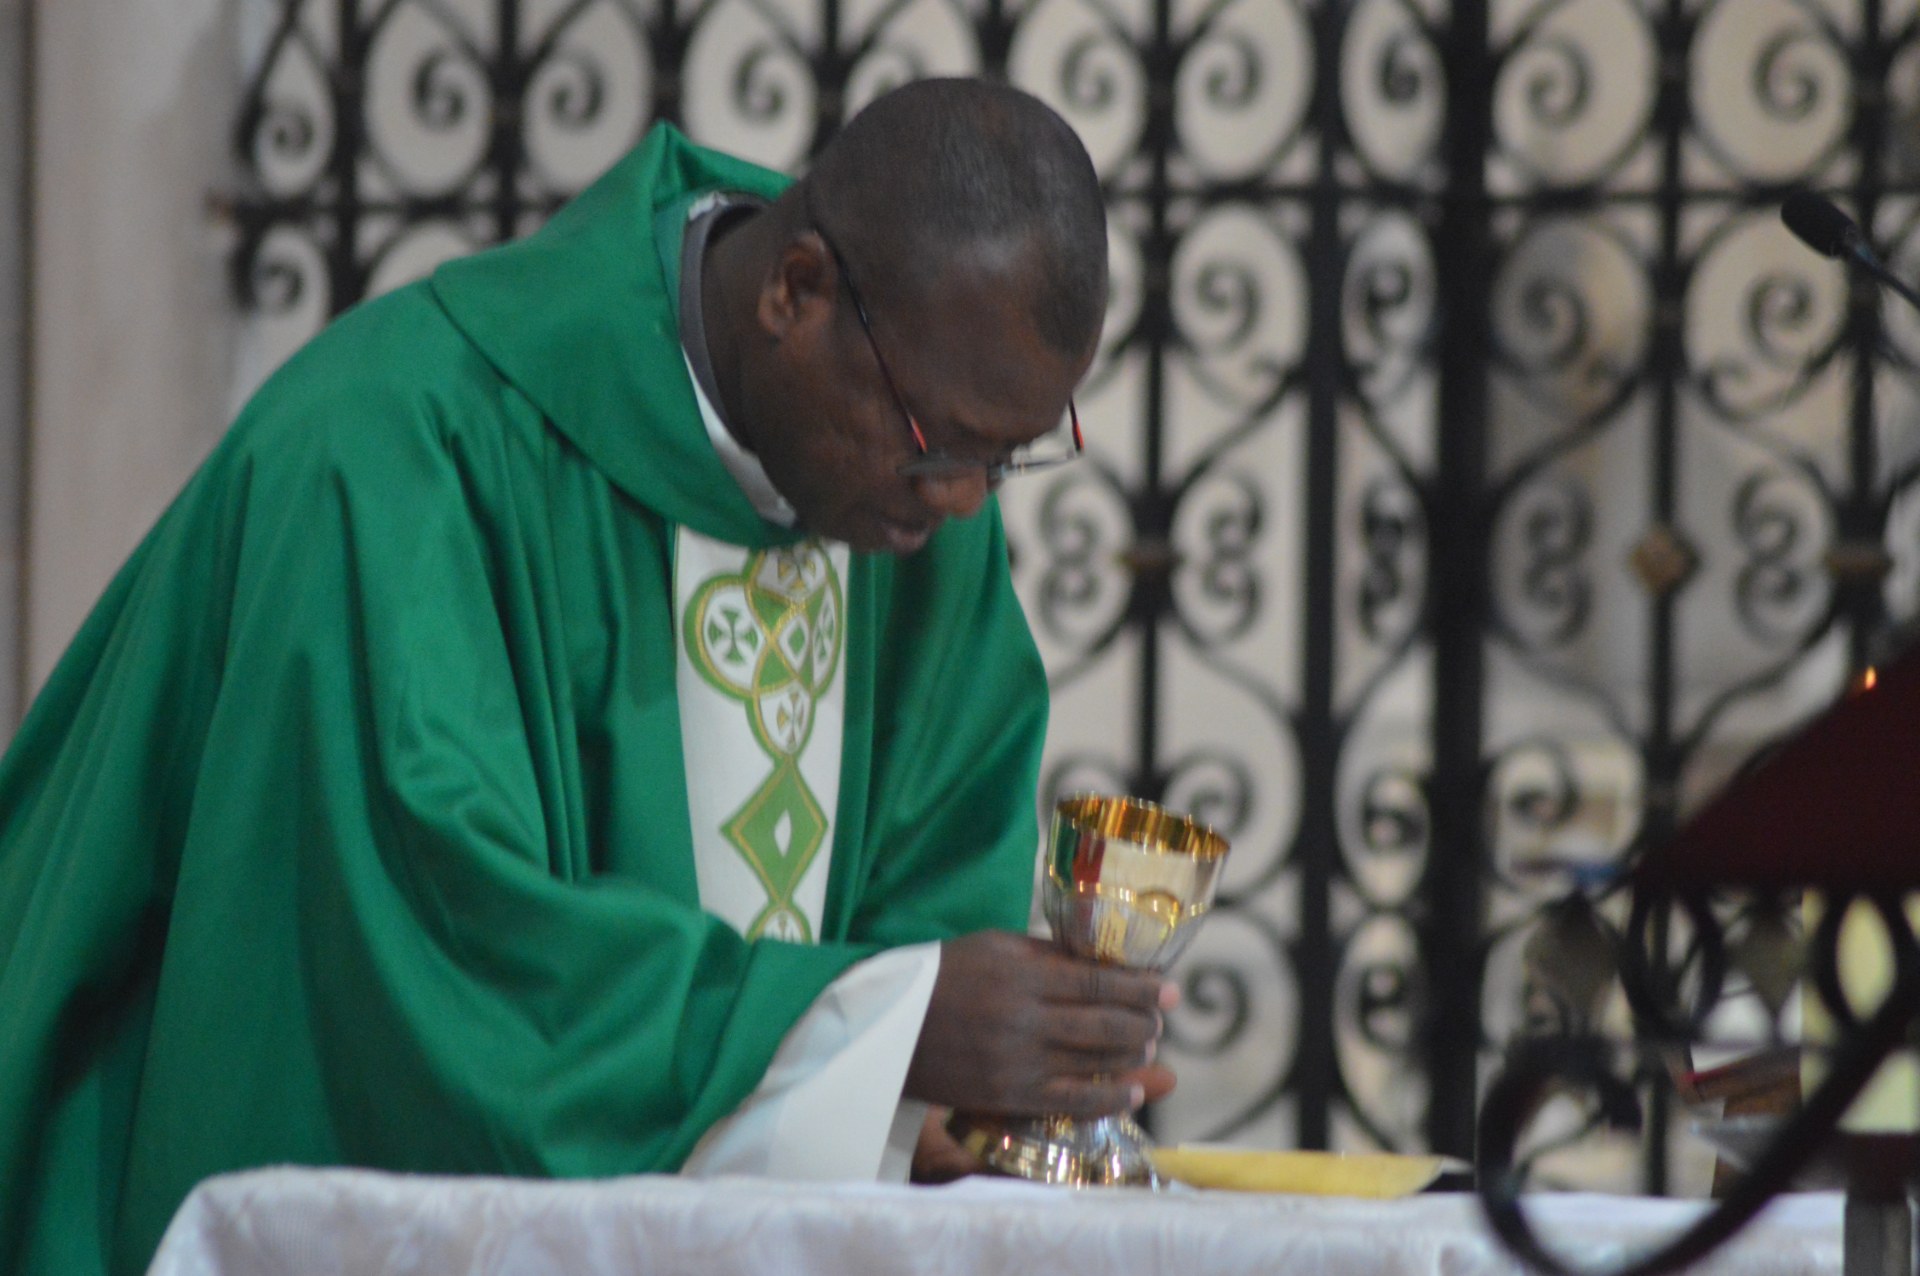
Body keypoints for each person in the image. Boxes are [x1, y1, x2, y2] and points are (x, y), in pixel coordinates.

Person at [0, 77, 1177, 1276]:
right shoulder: (395, 451)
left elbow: (939, 882)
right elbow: (434, 947)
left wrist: (996, 1081)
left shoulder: (914, 507)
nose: (969, 497)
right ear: (797, 290)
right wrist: (887, 1027)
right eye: (941, 437)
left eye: (1011, 452)